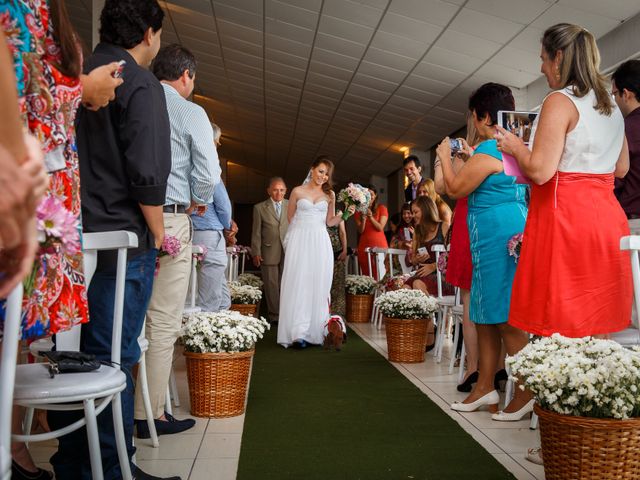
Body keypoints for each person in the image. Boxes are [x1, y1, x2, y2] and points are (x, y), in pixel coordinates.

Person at [47, 1, 181, 479]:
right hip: (121, 241)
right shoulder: (139, 82)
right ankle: (114, 465)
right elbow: (147, 172)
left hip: (66, 237)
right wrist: (161, 233)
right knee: (114, 358)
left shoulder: (72, 72)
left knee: (68, 356)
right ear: (149, 32)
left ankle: (71, 462)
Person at [133, 43, 220, 439]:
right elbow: (208, 170)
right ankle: (148, 414)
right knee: (163, 319)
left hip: (129, 220)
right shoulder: (191, 111)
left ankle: (122, 406)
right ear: (186, 75)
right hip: (170, 217)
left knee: (129, 318)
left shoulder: (134, 100)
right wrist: (197, 202)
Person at [438, 83, 530, 419]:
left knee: (503, 318)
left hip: (497, 236)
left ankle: (527, 390)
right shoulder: (511, 146)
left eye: (474, 117)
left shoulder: (491, 149)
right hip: (501, 231)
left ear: (484, 117)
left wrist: (442, 157)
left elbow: (454, 187)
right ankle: (485, 386)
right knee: (487, 314)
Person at [277, 156, 354, 348]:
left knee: (318, 284)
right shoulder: (296, 191)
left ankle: (315, 332)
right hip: (300, 240)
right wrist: (294, 242)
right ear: (312, 169)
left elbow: (329, 222)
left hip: (320, 242)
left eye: (327, 174)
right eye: (321, 171)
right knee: (299, 282)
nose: (323, 176)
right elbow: (291, 218)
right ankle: (297, 333)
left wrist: (345, 215)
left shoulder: (330, 195)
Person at [434, 117, 479, 392]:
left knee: (470, 297)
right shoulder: (493, 151)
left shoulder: (466, 158)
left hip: (468, 220)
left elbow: (442, 187)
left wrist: (442, 159)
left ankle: (474, 367)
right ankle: (496, 366)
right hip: (491, 219)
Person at [191, 123, 233, 312]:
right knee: (211, 298)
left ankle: (224, 333)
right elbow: (223, 205)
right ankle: (212, 335)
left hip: (193, 229)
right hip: (209, 232)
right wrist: (228, 225)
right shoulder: (207, 165)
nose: (218, 146)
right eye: (217, 142)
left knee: (220, 290)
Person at [251, 177, 289, 324]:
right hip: (268, 251)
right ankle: (275, 315)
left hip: (288, 250)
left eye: (281, 190)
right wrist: (256, 252)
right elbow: (256, 233)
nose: (278, 193)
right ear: (269, 191)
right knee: (271, 285)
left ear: (286, 191)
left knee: (286, 283)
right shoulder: (259, 208)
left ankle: (286, 313)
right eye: (275, 189)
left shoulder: (292, 205)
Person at [404, 196, 452, 298]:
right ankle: (416, 314)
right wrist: (416, 259)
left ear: (426, 210)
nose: (413, 216)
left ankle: (429, 313)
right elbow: (412, 259)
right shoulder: (417, 231)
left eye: (415, 212)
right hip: (422, 274)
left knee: (417, 284)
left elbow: (453, 254)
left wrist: (433, 266)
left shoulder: (444, 226)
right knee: (405, 288)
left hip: (441, 275)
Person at [612, 60, 640, 233]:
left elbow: (615, 177)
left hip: (634, 223)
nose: (614, 99)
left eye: (614, 93)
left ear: (627, 94)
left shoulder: (625, 128)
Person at [354, 184, 388, 277]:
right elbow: (361, 231)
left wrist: (371, 217)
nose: (369, 196)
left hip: (379, 244)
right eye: (366, 194)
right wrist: (364, 219)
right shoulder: (358, 211)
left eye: (371, 194)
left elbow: (380, 227)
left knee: (380, 272)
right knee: (367, 274)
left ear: (375, 195)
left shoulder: (382, 208)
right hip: (364, 246)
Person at [328, 219, 348, 318]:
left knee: (338, 285)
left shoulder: (339, 213)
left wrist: (344, 250)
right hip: (322, 253)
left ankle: (338, 316)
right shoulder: (319, 211)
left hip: (337, 253)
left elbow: (342, 232)